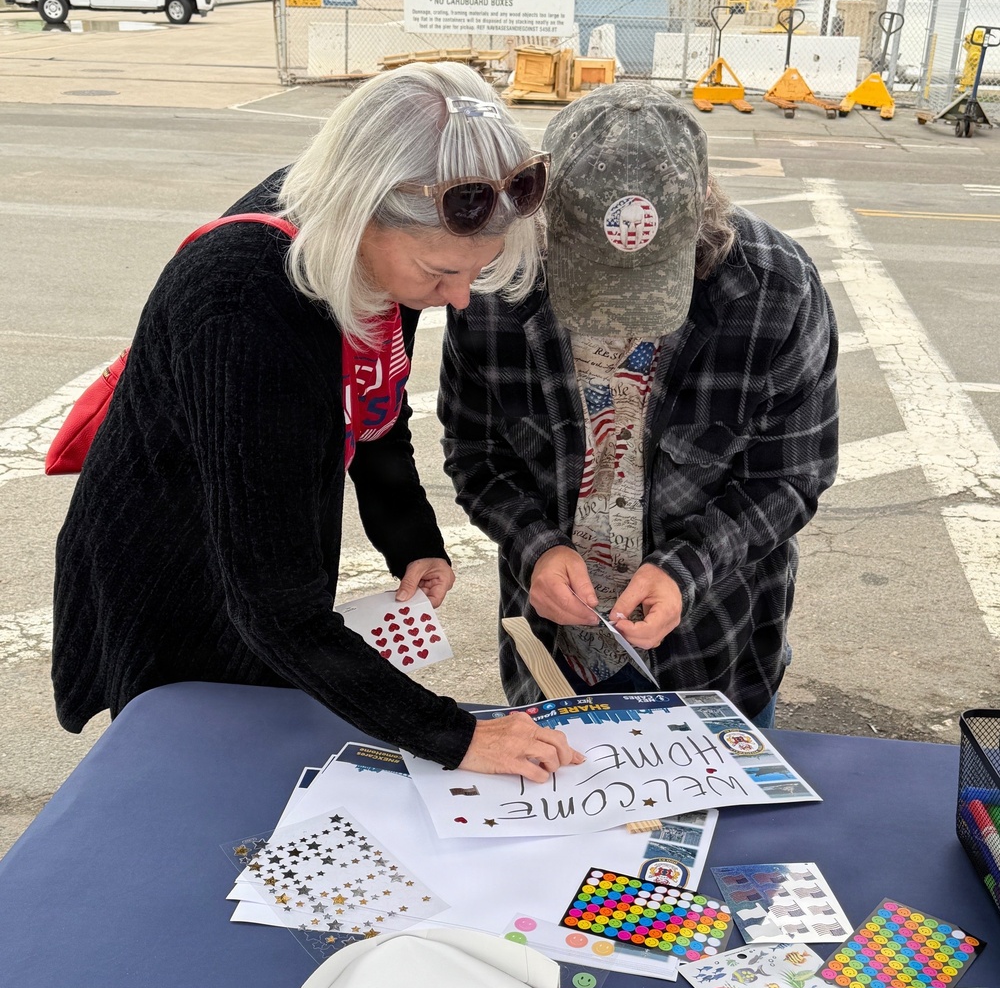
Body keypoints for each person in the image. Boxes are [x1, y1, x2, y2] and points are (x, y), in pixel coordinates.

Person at [52, 63, 581, 781]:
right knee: (204, 777)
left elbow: (375, 401)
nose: (456, 299)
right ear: (362, 212)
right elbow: (273, 607)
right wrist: (457, 737)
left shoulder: (380, 251)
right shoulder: (244, 304)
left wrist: (411, 539)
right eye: (439, 273)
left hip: (255, 555)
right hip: (176, 574)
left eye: (472, 272)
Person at [440, 84, 838, 727]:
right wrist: (536, 547)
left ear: (702, 215)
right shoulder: (493, 288)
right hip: (554, 660)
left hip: (717, 656)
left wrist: (687, 568)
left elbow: (792, 476)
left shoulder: (775, 290)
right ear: (544, 217)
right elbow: (476, 455)